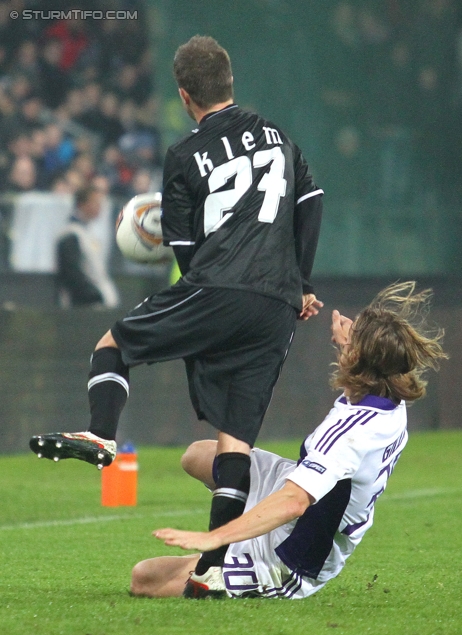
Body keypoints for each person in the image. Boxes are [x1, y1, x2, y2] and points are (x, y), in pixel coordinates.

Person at [30, 36, 324, 597]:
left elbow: (187, 252)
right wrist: (301, 281)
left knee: (112, 344)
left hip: (218, 286)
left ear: (185, 95)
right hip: (279, 304)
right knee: (234, 439)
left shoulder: (184, 155)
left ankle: (101, 434)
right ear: (230, 80)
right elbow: (310, 202)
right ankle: (212, 570)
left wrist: (204, 303)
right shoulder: (279, 136)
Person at [132, 282, 447, 599]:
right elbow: (382, 359)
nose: (345, 325)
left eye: (355, 330)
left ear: (357, 355)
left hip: (296, 553)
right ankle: (245, 528)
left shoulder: (351, 433)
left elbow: (294, 503)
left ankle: (240, 551)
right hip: (295, 486)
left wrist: (214, 538)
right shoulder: (388, 386)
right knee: (198, 455)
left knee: (145, 579)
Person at [55, 185, 119, 308]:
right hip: (84, 307)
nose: (99, 207)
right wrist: (94, 296)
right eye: (95, 203)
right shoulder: (70, 235)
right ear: (82, 205)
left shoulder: (87, 234)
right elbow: (73, 274)